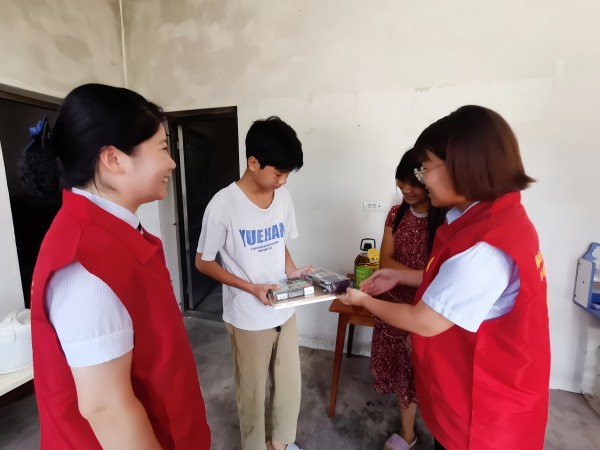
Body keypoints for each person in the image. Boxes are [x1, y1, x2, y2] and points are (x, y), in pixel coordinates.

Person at [340, 105, 550, 450]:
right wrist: (398, 276)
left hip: (484, 416)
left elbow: (422, 321)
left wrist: (363, 301)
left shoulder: (485, 247)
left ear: (462, 165)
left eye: (425, 169)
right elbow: (448, 281)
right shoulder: (492, 221)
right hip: (477, 392)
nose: (421, 181)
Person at [22, 84, 210, 450]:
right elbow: (106, 407)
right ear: (114, 159)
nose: (172, 163)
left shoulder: (115, 232)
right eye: (163, 148)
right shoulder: (83, 265)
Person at [195, 116, 310, 450]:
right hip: (247, 317)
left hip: (284, 309)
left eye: (287, 174)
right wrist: (251, 288)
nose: (283, 181)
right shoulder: (223, 205)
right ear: (253, 162)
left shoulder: (282, 198)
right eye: (279, 173)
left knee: (289, 387)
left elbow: (279, 241)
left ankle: (280, 444)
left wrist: (292, 271)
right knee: (252, 394)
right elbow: (203, 261)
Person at [371, 149, 446, 450]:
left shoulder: (445, 221)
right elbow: (385, 262)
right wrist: (418, 274)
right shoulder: (396, 214)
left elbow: (442, 275)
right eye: (401, 182)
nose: (406, 190)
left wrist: (411, 276)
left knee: (429, 375)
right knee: (402, 372)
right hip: (394, 307)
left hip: (427, 309)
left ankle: (440, 430)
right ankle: (407, 433)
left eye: (413, 183)